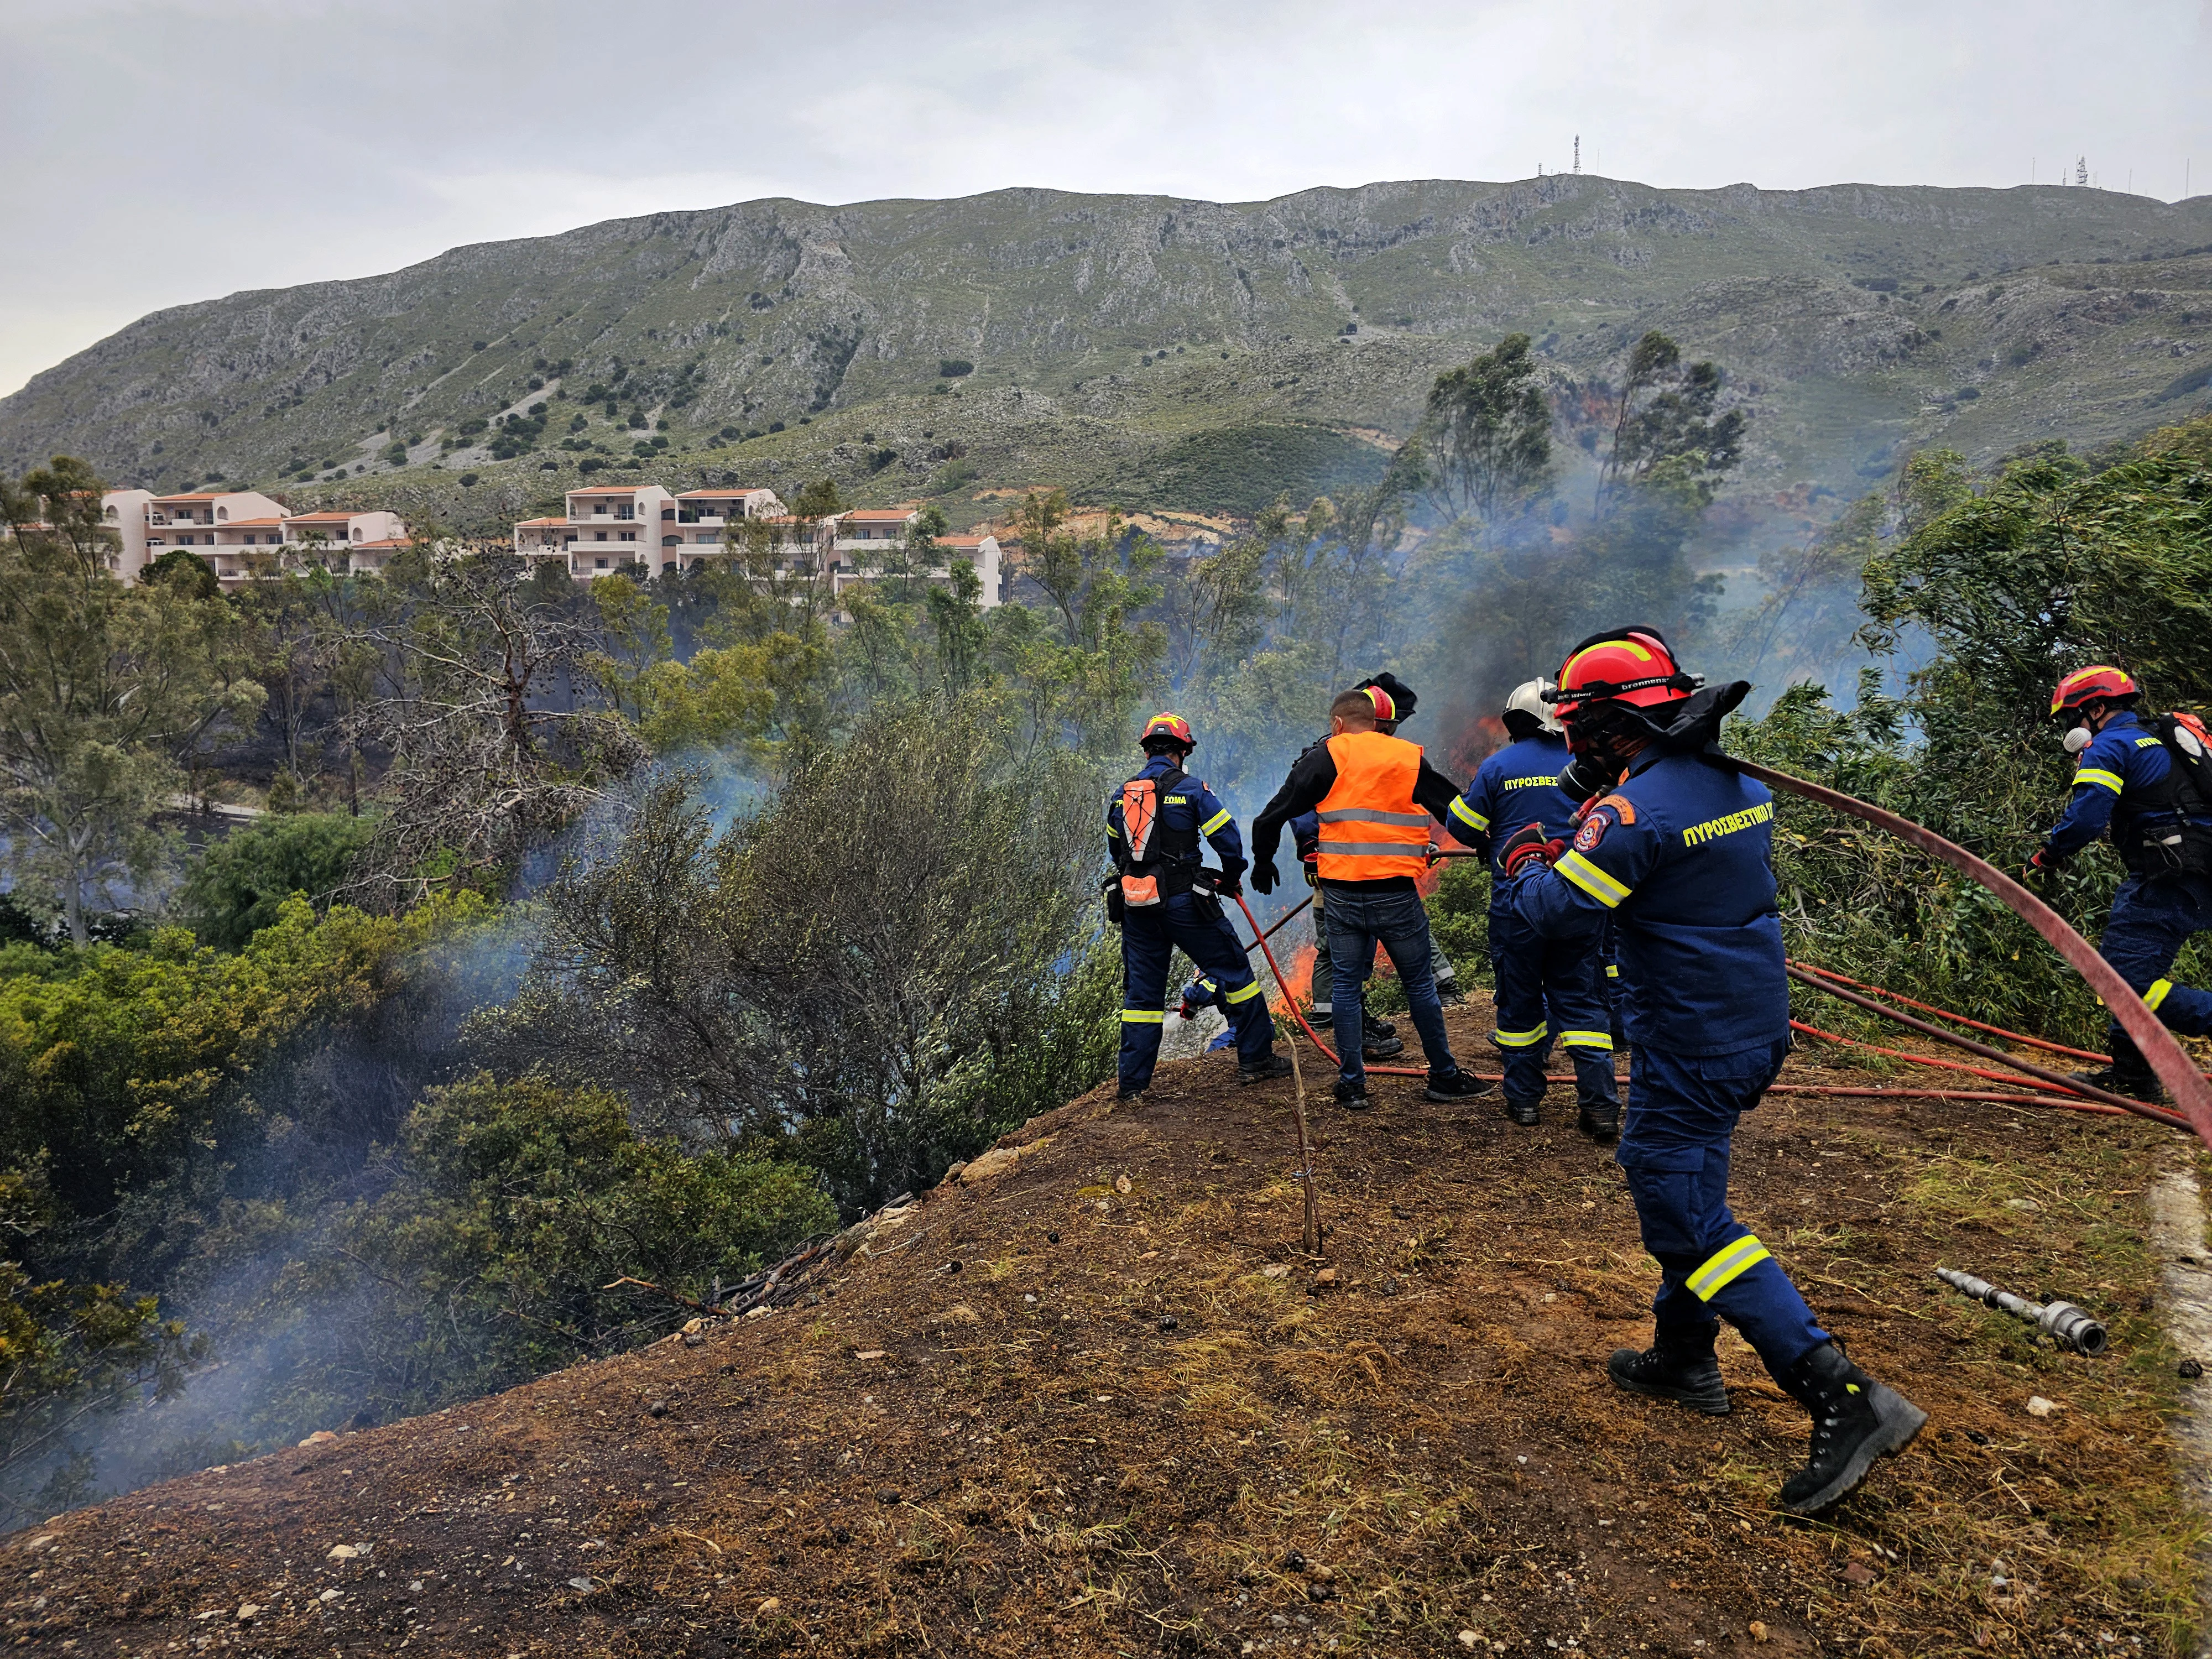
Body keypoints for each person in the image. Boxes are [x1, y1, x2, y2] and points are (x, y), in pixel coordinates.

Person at [1505, 626, 1924, 1515]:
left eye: (1579, 727)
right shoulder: (1735, 784)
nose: (1569, 742)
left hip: (1689, 1040)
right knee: (1691, 1182)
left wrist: (1530, 853)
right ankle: (1682, 1354)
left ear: (1610, 730)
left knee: (1678, 1203)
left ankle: (1841, 1395)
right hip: (1749, 1027)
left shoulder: (1630, 816)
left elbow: (1554, 917)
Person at [1250, 685, 1493, 1109]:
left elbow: (1271, 815)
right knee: (1419, 984)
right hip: (1396, 893)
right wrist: (1487, 843)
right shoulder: (1406, 757)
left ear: (1338, 724)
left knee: (1345, 986)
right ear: (1380, 723)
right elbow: (1452, 808)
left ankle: (1353, 1085)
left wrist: (1263, 862)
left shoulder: (1326, 757)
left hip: (1341, 896)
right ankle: (1444, 1077)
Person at [2027, 665, 2212, 1101]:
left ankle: (2137, 1076)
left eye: (2074, 717)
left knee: (2122, 983)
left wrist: (2048, 855)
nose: (2073, 728)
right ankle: (2132, 1077)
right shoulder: (2161, 739)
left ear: (2095, 708)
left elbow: (2088, 817)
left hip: (2168, 874)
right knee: (2126, 971)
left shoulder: (2110, 746)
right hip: (2197, 870)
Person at [1447, 678, 1619, 1137]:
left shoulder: (1499, 766)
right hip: (1580, 899)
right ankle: (1601, 1109)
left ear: (1514, 722)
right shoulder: (1589, 766)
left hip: (1517, 903)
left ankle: (1524, 1102)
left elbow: (1462, 827)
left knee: (1520, 1004)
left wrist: (1496, 836)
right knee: (1584, 1005)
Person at [1108, 713, 1294, 1101]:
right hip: (1186, 905)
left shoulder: (1121, 795)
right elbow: (1226, 836)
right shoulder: (1192, 789)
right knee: (1235, 973)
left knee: (1142, 999)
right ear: (1182, 750)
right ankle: (1256, 1060)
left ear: (1146, 751)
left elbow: (1117, 852)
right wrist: (1231, 875)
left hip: (1137, 907)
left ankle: (1131, 1088)